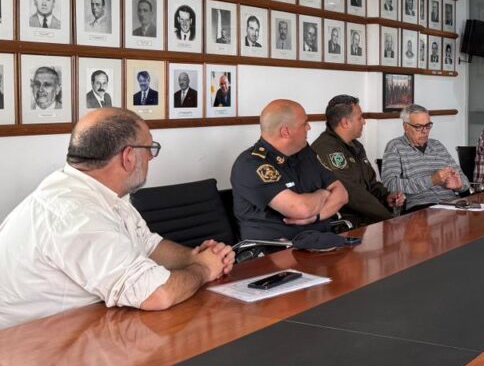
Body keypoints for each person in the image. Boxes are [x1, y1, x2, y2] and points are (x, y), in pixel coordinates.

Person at [0, 108, 235, 329]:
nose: (151, 158)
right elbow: (156, 295)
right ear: (129, 157)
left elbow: (148, 245)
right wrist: (203, 269)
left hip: (83, 328)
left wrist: (196, 257)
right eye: (150, 149)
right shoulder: (76, 215)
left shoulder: (98, 192)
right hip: (31, 345)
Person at [230, 99, 349, 241]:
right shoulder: (251, 164)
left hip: (320, 239)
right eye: (304, 123)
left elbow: (342, 195)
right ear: (285, 132)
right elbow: (301, 209)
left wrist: (315, 217)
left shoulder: (304, 152)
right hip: (277, 248)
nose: (309, 127)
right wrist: (323, 193)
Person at [311, 95, 405, 227]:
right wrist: (389, 219)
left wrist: (387, 197)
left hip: (368, 219)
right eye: (360, 118)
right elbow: (353, 194)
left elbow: (371, 184)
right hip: (348, 223)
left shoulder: (356, 146)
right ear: (345, 123)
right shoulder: (326, 149)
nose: (364, 122)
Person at [382, 104, 469, 210]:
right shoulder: (395, 146)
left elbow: (464, 180)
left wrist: (460, 186)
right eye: (418, 127)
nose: (425, 131)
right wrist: (432, 180)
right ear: (406, 127)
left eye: (428, 126)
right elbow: (390, 184)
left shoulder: (437, 145)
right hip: (422, 207)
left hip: (453, 204)